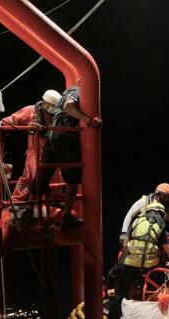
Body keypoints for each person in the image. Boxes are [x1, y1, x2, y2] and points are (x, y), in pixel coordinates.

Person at [31, 85, 102, 228]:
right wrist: (88, 119)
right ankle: (67, 216)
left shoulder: (64, 95)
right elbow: (69, 106)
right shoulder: (76, 91)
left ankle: (28, 210)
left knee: (43, 173)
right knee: (72, 178)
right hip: (66, 135)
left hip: (53, 135)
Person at [107, 183, 169, 290]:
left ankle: (147, 287)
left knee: (158, 263)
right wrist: (123, 233)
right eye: (166, 197)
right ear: (158, 194)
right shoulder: (144, 201)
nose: (167, 199)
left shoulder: (164, 209)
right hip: (136, 237)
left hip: (153, 241)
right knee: (120, 265)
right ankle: (108, 287)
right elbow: (130, 214)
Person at [107, 201, 169, 319]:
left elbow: (125, 244)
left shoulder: (136, 222)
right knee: (156, 286)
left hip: (131, 261)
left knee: (121, 292)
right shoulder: (159, 226)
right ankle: (150, 316)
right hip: (150, 265)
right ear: (161, 214)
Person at [1, 89, 61, 203]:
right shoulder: (31, 111)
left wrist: (43, 129)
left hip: (52, 149)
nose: (52, 107)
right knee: (30, 175)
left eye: (54, 105)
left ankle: (55, 202)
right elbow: (13, 119)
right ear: (45, 102)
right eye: (51, 105)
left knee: (55, 177)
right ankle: (17, 201)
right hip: (35, 149)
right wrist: (0, 123)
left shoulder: (58, 115)